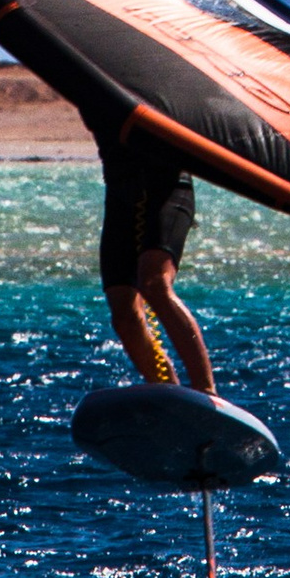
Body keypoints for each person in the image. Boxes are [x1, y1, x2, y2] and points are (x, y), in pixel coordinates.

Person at [97, 129, 216, 393]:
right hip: (120, 196)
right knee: (123, 313)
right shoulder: (91, 92)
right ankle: (168, 393)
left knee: (154, 283)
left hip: (169, 188)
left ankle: (207, 393)